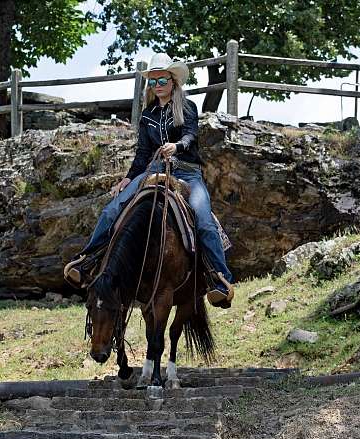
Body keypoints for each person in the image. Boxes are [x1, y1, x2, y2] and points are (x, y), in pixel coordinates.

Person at [64, 52, 234, 307]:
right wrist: (128, 178)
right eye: (152, 82)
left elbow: (190, 136)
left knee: (203, 219)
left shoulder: (187, 107)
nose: (157, 86)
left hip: (187, 170)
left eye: (162, 80)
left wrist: (176, 146)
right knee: (113, 209)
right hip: (153, 170)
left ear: (173, 81)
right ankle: (87, 260)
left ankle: (220, 279)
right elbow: (142, 153)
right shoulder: (147, 116)